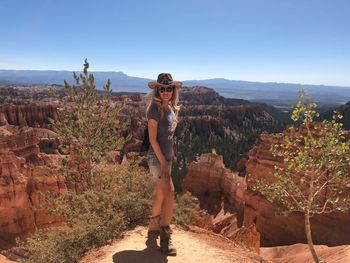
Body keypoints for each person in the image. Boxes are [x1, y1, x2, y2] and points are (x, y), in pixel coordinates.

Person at [146, 73, 181, 256]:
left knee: (161, 194)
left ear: (173, 90)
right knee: (170, 193)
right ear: (157, 90)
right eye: (162, 88)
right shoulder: (154, 109)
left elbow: (170, 135)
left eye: (169, 88)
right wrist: (164, 164)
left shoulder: (172, 109)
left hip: (166, 158)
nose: (166, 92)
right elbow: (152, 139)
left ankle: (153, 228)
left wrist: (172, 154)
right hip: (157, 159)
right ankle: (165, 236)